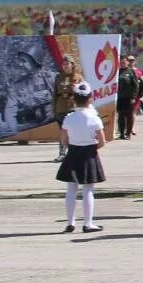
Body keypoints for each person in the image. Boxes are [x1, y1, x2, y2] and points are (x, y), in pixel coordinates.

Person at [56, 81, 106, 233]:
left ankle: (70, 223)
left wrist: (73, 145)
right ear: (90, 98)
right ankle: (88, 223)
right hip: (89, 153)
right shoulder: (94, 118)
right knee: (88, 189)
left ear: (74, 99)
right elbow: (102, 141)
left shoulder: (69, 118)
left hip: (73, 152)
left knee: (71, 188)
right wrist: (91, 146)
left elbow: (63, 140)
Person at [51, 56, 79, 161]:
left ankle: (73, 154)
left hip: (73, 108)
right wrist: (54, 108)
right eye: (64, 64)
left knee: (73, 132)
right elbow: (54, 94)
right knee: (63, 132)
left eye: (67, 64)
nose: (65, 66)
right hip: (61, 107)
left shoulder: (78, 77)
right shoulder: (58, 77)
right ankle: (62, 153)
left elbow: (83, 93)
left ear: (72, 65)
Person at [116, 54, 143, 139]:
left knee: (129, 116)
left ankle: (128, 133)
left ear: (127, 62)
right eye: (121, 62)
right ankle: (121, 133)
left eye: (124, 62)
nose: (122, 63)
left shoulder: (131, 71)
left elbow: (136, 85)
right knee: (121, 116)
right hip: (120, 97)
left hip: (129, 98)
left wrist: (133, 97)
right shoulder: (117, 71)